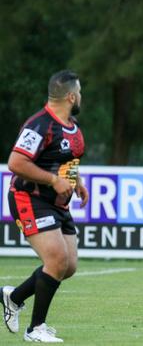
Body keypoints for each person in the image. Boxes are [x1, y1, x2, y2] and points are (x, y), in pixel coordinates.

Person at [1, 70, 88, 342]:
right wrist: (52, 180)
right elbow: (16, 163)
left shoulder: (72, 126)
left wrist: (78, 181)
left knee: (68, 266)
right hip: (29, 199)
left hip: (58, 204)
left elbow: (65, 161)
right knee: (56, 261)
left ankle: (12, 297)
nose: (81, 96)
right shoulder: (40, 125)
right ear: (71, 96)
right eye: (80, 92)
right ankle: (35, 328)